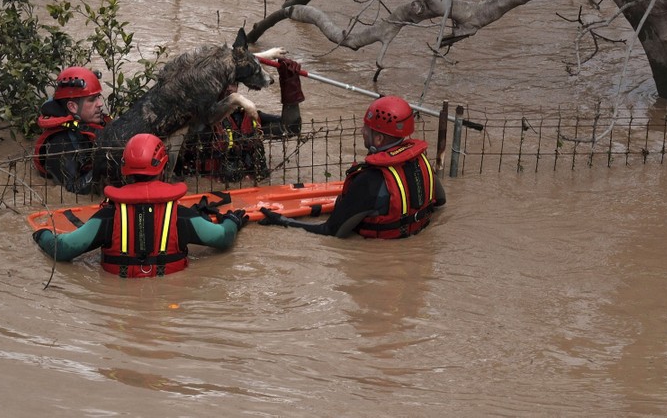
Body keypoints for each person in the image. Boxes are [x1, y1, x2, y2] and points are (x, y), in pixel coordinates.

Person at [32, 133, 249, 277]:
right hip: (168, 300)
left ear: (125, 170)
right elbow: (223, 238)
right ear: (163, 168)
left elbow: (63, 250)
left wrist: (41, 235)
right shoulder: (182, 217)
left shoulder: (107, 218)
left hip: (120, 304)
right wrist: (232, 221)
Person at [257, 95, 446, 238]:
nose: (362, 131)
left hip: (376, 264)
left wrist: (282, 221)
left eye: (366, 128)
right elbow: (441, 203)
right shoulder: (421, 161)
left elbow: (331, 231)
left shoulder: (370, 180)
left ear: (379, 138)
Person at [175, 57, 306, 182]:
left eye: (233, 83)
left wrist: (290, 84)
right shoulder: (193, 119)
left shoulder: (248, 115)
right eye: (223, 83)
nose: (229, 88)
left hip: (251, 192)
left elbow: (290, 128)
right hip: (207, 192)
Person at [33, 67, 110, 195]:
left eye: (98, 97)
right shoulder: (60, 144)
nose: (100, 104)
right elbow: (73, 190)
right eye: (92, 100)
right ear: (72, 107)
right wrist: (104, 164)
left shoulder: (88, 122)